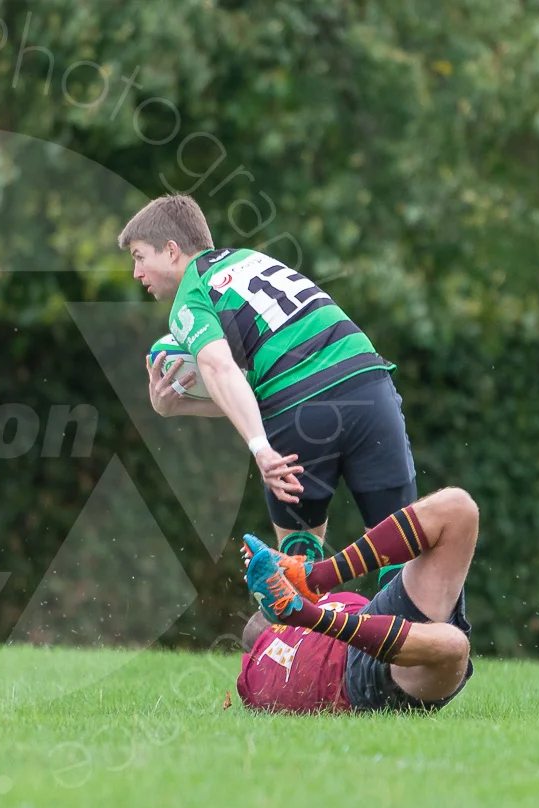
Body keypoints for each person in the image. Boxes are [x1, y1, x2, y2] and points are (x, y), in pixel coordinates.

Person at [120, 195, 417, 563]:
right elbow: (251, 387)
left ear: (170, 250)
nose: (137, 273)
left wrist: (260, 449)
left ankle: (309, 595)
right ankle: (426, 621)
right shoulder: (251, 259)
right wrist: (178, 404)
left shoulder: (190, 297)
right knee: (403, 549)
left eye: (139, 257)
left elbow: (219, 369)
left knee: (297, 568)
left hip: (299, 408)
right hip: (368, 384)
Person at [234, 487, 477, 714]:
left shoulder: (257, 674)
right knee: (454, 644)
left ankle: (316, 578)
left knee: (457, 507)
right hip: (361, 678)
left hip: (373, 623)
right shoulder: (256, 671)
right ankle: (309, 611)